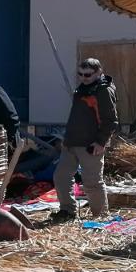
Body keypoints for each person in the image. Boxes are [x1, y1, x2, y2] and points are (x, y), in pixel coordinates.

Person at [52, 58, 118, 222]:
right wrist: (66, 140)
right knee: (61, 176)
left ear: (98, 72)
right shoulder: (82, 88)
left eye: (87, 74)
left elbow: (111, 120)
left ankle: (101, 216)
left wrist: (101, 142)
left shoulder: (103, 90)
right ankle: (67, 211)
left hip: (91, 144)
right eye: (80, 74)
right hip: (72, 143)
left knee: (92, 182)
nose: (83, 77)